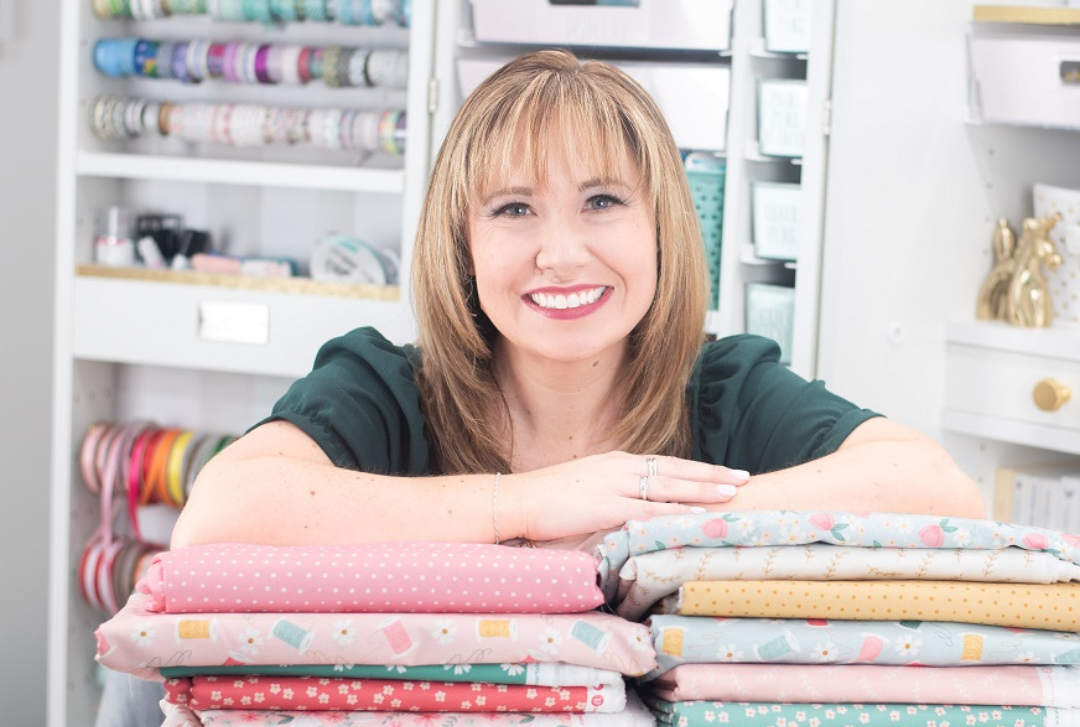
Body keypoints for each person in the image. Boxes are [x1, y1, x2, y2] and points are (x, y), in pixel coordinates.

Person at [171, 49, 984, 554]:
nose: (561, 254)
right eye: (514, 209)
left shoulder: (724, 390)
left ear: (663, 230)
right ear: (463, 245)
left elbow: (937, 488)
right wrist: (534, 503)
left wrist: (649, 520)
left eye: (602, 203)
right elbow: (222, 509)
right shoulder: (386, 390)